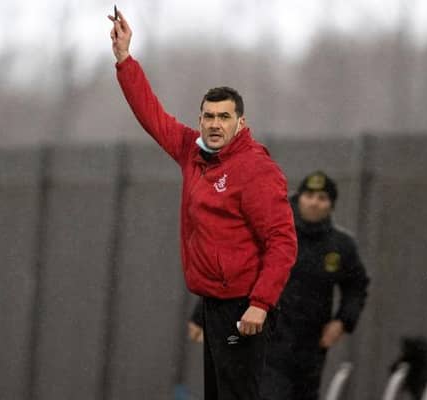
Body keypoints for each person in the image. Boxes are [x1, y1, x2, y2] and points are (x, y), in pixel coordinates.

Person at [108, 10, 297, 400]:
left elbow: (283, 241)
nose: (214, 124)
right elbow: (153, 116)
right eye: (208, 116)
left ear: (240, 123)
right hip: (214, 303)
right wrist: (125, 60)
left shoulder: (255, 169)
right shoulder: (192, 152)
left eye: (224, 117)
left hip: (245, 308)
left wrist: (260, 304)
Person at [261, 171, 370, 400]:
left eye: (322, 198)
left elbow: (356, 286)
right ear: (298, 197)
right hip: (269, 339)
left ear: (330, 205)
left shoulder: (340, 246)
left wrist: (342, 321)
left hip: (311, 344)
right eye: (309, 195)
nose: (314, 203)